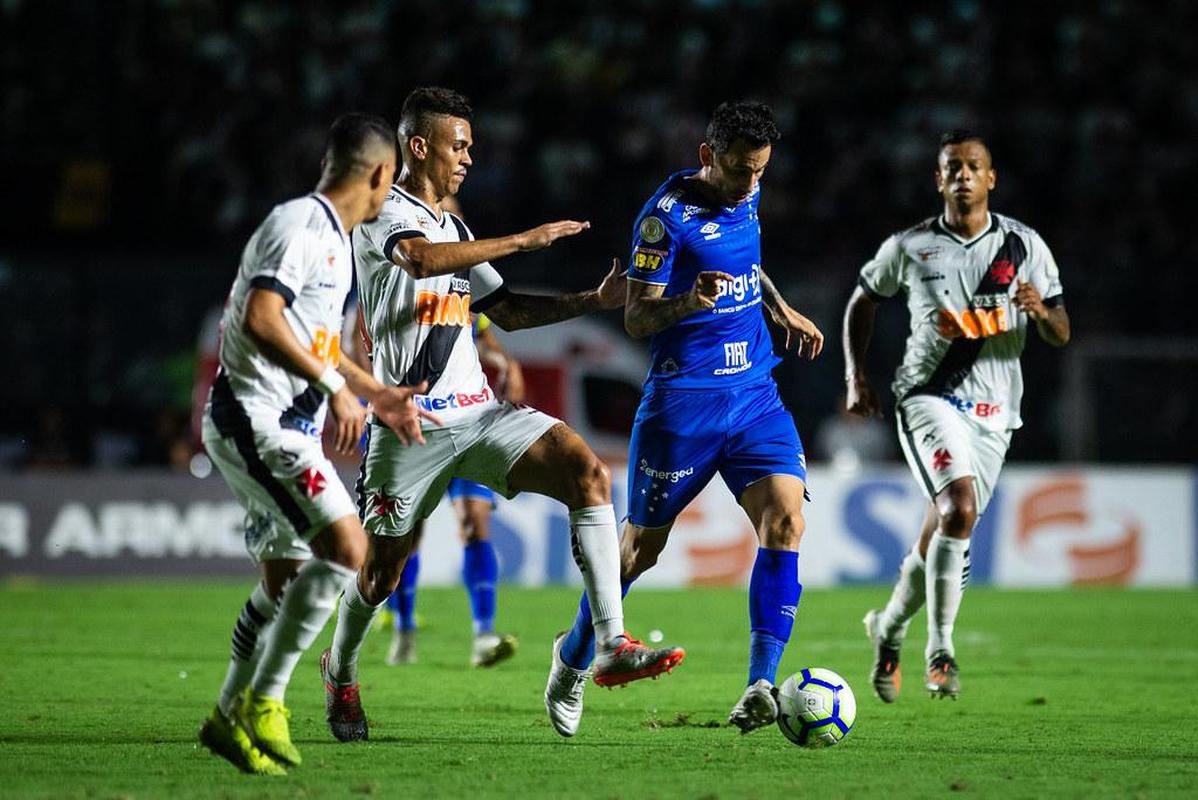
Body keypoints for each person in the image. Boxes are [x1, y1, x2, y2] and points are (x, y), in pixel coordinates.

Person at [320, 86, 684, 743]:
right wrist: (524, 238)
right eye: (459, 145)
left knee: (587, 473)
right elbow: (420, 260)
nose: (468, 157)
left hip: (479, 414)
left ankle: (609, 643)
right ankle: (340, 670)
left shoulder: (457, 227)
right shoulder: (379, 213)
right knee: (382, 572)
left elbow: (509, 312)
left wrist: (592, 299)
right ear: (420, 146)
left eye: (471, 147)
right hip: (409, 426)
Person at [549, 100, 826, 737]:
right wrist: (684, 302)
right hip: (683, 406)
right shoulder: (663, 221)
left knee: (785, 519)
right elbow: (637, 318)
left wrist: (778, 309)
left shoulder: (747, 193)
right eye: (738, 170)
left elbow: (748, 264)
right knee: (638, 553)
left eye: (759, 171)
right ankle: (571, 659)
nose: (750, 182)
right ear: (708, 157)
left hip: (755, 395)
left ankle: (759, 683)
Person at [197, 113, 434, 775]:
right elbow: (261, 318)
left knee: (283, 583)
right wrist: (336, 388)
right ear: (382, 174)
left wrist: (373, 391)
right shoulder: (299, 225)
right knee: (347, 548)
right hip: (256, 419)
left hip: (283, 422)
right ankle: (264, 702)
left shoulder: (332, 238)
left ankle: (224, 714)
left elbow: (315, 342)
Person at [843, 130, 1070, 701]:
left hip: (996, 414)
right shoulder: (913, 246)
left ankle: (887, 629)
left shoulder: (1024, 247)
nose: (963, 175)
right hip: (927, 397)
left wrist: (1041, 311)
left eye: (974, 166)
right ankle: (940, 651)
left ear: (991, 178)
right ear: (938, 180)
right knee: (959, 509)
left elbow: (1062, 332)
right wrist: (855, 375)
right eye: (953, 167)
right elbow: (862, 299)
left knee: (943, 531)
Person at [384, 314, 524, 668]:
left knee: (475, 525)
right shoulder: (398, 285)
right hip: (415, 426)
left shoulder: (464, 288)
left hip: (468, 423)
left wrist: (506, 362)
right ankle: (404, 629)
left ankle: (483, 635)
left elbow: (484, 341)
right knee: (408, 533)